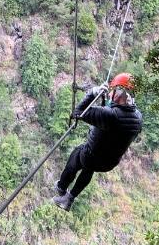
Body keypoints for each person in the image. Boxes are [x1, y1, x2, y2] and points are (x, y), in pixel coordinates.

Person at [52, 73, 142, 211]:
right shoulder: (138, 117)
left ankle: (61, 187)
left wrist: (93, 93)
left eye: (113, 91)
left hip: (90, 155)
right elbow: (115, 120)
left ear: (119, 94)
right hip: (109, 162)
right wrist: (105, 102)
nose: (111, 93)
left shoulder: (110, 115)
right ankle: (68, 200)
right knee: (89, 168)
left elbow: (77, 112)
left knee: (77, 156)